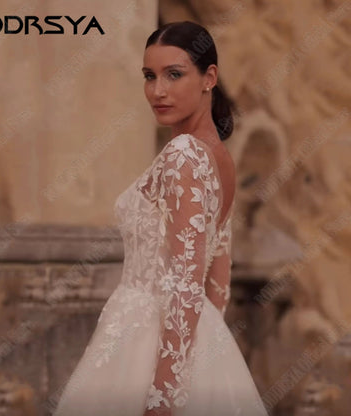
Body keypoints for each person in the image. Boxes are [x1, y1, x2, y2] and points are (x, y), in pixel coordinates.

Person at [52, 21, 269, 416]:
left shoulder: (184, 154)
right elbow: (218, 280)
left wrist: (162, 396)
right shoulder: (220, 158)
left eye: (174, 74)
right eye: (149, 76)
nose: (158, 91)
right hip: (193, 339)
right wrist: (207, 352)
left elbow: (188, 282)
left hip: (147, 344)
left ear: (209, 78)